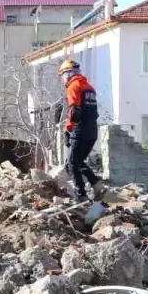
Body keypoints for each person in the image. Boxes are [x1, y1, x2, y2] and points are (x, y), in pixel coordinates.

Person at [60, 59, 101, 199]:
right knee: (77, 162)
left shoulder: (73, 86)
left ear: (68, 73)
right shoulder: (89, 87)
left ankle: (81, 195)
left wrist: (67, 130)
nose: (63, 78)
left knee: (72, 163)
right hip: (92, 131)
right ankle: (96, 184)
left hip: (80, 130)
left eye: (63, 75)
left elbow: (74, 112)